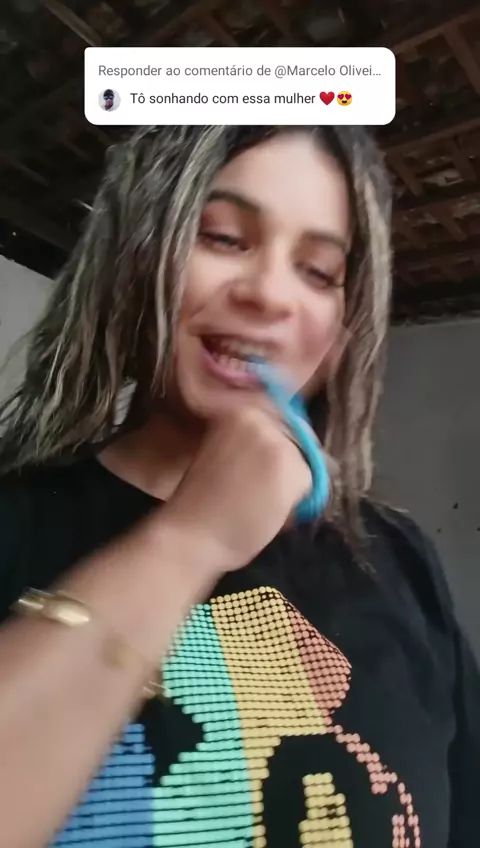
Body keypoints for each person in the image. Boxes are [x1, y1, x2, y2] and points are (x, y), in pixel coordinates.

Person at [0, 125, 478, 848]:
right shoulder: (18, 523)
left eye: (318, 271)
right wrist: (188, 540)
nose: (270, 294)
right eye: (224, 237)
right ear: (139, 256)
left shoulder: (401, 560)